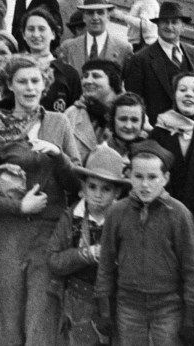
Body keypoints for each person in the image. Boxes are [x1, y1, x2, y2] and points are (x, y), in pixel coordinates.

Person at [0, 54, 81, 345]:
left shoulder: (60, 123)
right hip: (9, 235)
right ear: (10, 86)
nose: (29, 87)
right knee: (5, 317)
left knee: (42, 317)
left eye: (35, 81)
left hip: (51, 233)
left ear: (45, 85)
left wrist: (59, 156)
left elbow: (79, 185)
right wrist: (18, 206)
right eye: (22, 81)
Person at [94, 141, 194, 345]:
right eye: (139, 176)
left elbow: (192, 268)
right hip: (128, 304)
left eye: (152, 177)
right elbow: (106, 263)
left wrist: (191, 312)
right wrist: (103, 306)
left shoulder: (179, 214)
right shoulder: (117, 213)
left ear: (165, 178)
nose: (145, 185)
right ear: (129, 176)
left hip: (168, 306)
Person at [46, 144, 130, 346]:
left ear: (117, 192)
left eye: (106, 189)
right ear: (83, 187)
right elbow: (53, 260)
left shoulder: (125, 220)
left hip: (117, 301)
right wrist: (86, 254)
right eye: (92, 186)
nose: (98, 194)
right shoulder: (72, 217)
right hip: (79, 300)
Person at [149, 72, 194, 214]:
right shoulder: (159, 132)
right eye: (182, 90)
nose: (189, 94)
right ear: (174, 94)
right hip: (163, 213)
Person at [123, 2, 194, 122]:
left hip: (186, 126)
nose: (169, 26)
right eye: (164, 22)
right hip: (156, 128)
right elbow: (134, 100)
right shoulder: (140, 58)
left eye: (174, 22)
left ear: (183, 27)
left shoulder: (191, 52)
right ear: (157, 25)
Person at [19, 7, 81, 113]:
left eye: (41, 29)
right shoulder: (15, 69)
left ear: (53, 34)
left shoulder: (69, 74)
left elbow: (75, 116)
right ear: (24, 35)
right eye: (30, 29)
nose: (36, 34)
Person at [55, 0, 132, 74]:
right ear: (84, 17)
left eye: (100, 12)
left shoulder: (123, 49)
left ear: (108, 16)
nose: (95, 17)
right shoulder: (68, 48)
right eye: (90, 13)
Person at [63, 59, 121, 164]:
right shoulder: (72, 113)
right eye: (85, 76)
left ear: (113, 81)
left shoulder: (129, 111)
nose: (88, 81)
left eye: (96, 76)